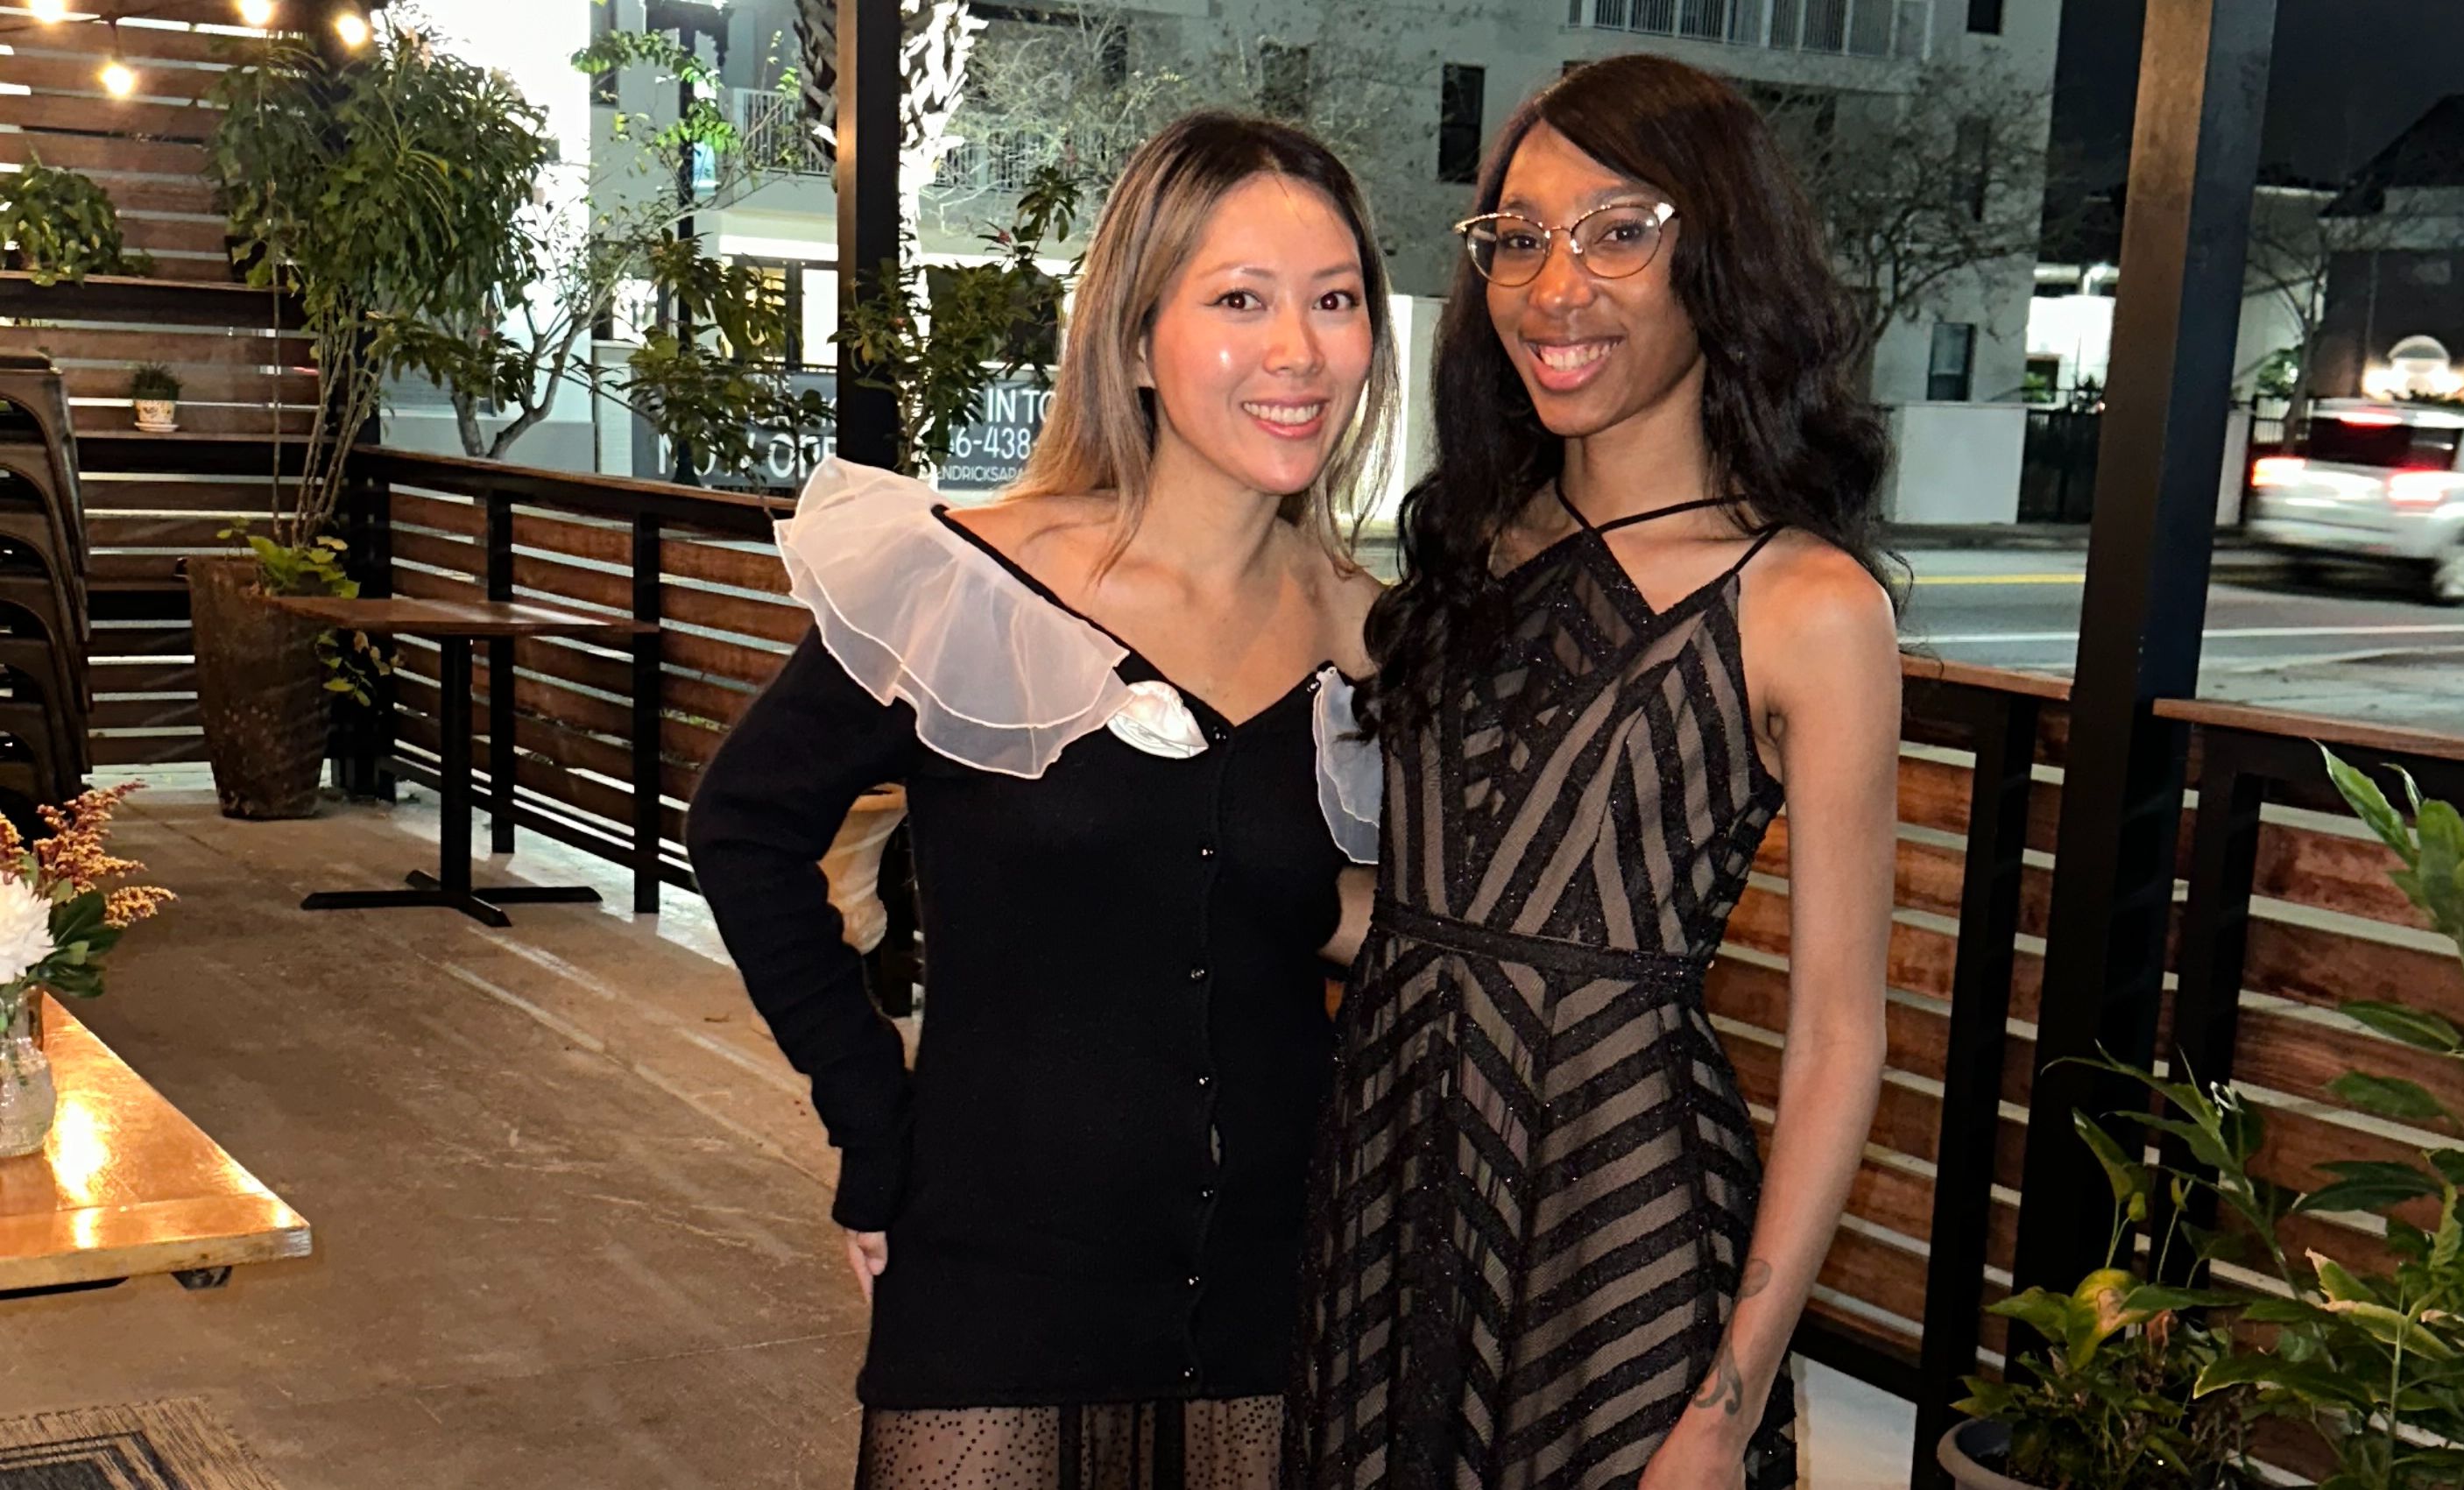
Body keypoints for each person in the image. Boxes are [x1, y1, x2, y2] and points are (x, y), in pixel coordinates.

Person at [685, 111, 1392, 1489]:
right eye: (1239, 299)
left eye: (1336, 300)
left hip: (1271, 1291)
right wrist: (868, 1106)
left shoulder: (1377, 645)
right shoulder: (961, 581)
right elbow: (746, 828)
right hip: (997, 1278)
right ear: (1133, 337)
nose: (1298, 351)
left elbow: (1393, 929)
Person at [1286, 54, 1899, 1490]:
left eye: (1622, 229)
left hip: (1618, 1229)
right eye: (1518, 238)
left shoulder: (1807, 605)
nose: (1556, 286)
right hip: (1388, 1189)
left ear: (1720, 256)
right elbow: (1435, 914)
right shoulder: (1462, 553)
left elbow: (1835, 1039)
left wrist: (1726, 1402)